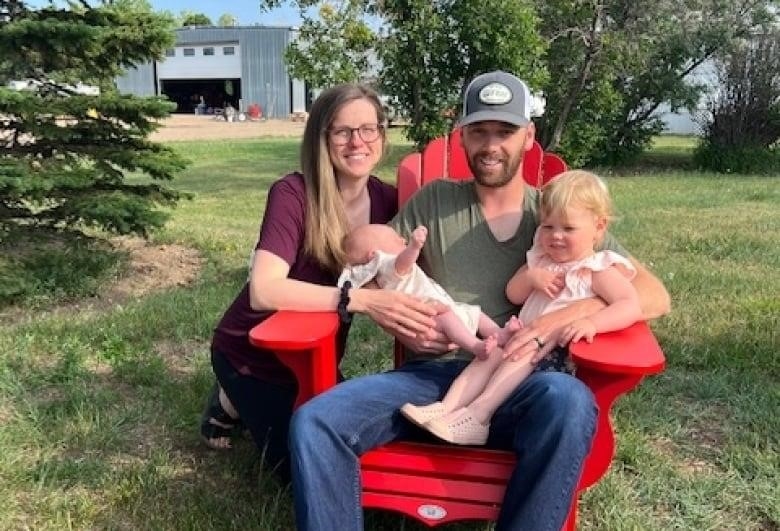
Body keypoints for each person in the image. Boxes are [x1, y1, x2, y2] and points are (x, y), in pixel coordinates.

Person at [288, 70, 671, 530]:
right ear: (462, 138)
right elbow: (377, 265)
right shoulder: (434, 201)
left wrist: (569, 315)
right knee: (316, 421)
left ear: (529, 137)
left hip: (524, 379)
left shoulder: (554, 215)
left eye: (506, 131)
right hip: (431, 381)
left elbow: (651, 294)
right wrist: (398, 319)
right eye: (480, 131)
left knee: (569, 402)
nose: (492, 145)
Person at [199, 84, 438, 480]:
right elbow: (264, 290)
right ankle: (229, 398)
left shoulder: (388, 202)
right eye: (342, 131)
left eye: (368, 129)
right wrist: (361, 300)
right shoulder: (293, 194)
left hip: (316, 355)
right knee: (304, 474)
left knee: (347, 449)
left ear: (382, 133)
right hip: (250, 353)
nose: (356, 141)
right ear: (321, 138)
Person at [401, 170, 643, 445]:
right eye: (548, 227)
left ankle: (478, 416)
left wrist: (591, 323)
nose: (556, 236)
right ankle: (447, 407)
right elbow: (513, 294)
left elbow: (630, 304)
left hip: (553, 354)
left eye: (568, 228)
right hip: (520, 337)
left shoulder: (596, 269)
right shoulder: (540, 258)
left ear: (599, 228)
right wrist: (530, 277)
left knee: (517, 356)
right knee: (488, 355)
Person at [340, 223, 520, 360]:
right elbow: (403, 263)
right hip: (430, 317)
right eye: (396, 239)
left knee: (476, 313)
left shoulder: (386, 273)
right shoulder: (386, 266)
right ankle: (475, 346)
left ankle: (500, 334)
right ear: (375, 255)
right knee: (448, 316)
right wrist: (413, 247)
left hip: (442, 310)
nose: (402, 239)